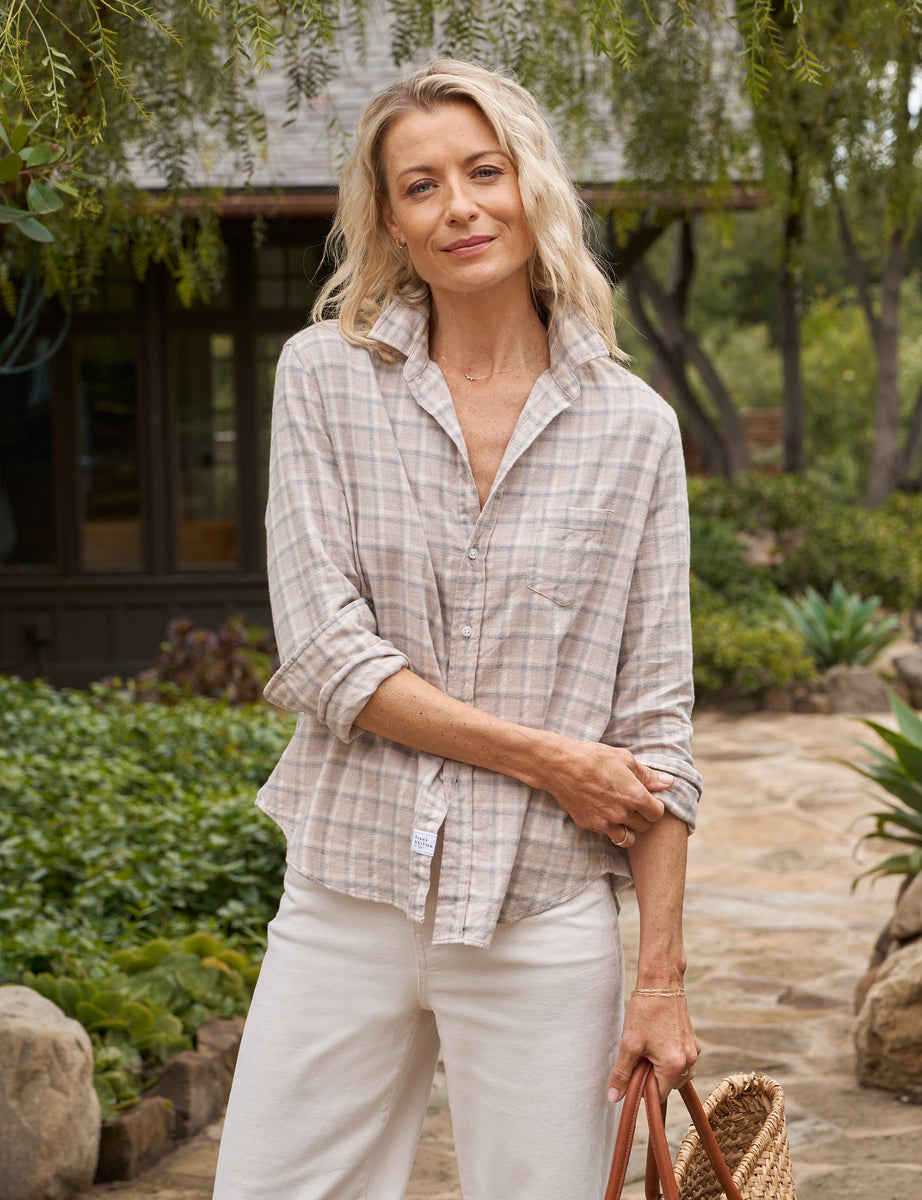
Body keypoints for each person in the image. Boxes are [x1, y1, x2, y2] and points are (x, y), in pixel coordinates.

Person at [213, 58, 702, 1200]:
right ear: (389, 217)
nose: (459, 207)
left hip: (542, 915)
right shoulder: (324, 379)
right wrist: (550, 760)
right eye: (421, 185)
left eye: (484, 172)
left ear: (532, 187)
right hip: (349, 893)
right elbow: (329, 655)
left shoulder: (634, 429)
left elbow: (657, 733)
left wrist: (662, 977)